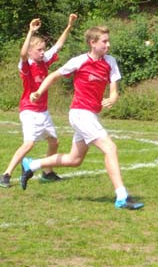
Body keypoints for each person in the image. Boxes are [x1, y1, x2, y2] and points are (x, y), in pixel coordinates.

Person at [22, 25, 144, 210]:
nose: (108, 45)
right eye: (104, 41)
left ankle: (32, 164)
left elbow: (114, 89)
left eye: (108, 41)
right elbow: (54, 75)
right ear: (92, 43)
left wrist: (112, 97)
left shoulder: (110, 62)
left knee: (74, 159)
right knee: (110, 148)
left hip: (91, 115)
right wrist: (38, 92)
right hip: (80, 113)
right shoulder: (79, 61)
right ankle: (121, 196)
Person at [0, 14, 77, 188]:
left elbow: (59, 45)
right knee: (29, 144)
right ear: (30, 52)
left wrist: (69, 25)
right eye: (39, 50)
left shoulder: (44, 61)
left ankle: (47, 172)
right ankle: (6, 174)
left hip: (43, 111)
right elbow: (22, 54)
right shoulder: (26, 66)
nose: (43, 53)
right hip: (29, 111)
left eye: (43, 49)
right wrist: (30, 31)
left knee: (54, 142)